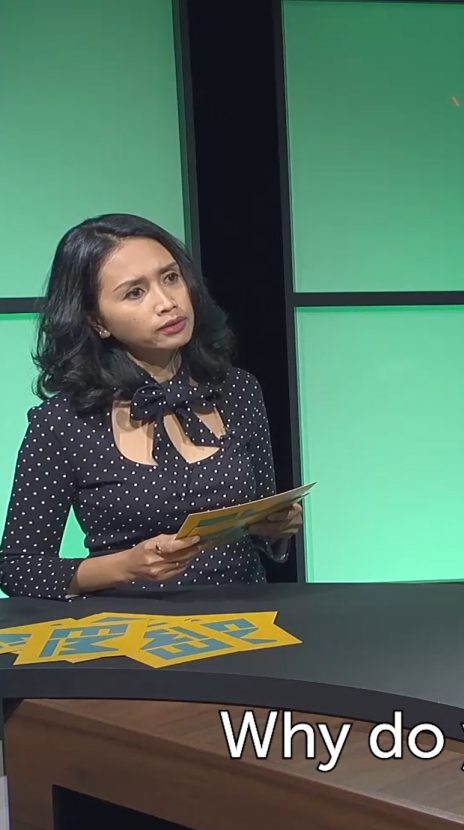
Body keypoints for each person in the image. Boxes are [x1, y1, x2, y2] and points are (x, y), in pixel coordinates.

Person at [0, 214, 303, 601]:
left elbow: (261, 522)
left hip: (246, 616)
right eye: (135, 293)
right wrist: (125, 566)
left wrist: (275, 527)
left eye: (171, 278)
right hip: (129, 625)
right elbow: (19, 568)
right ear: (96, 320)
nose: (167, 303)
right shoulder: (62, 423)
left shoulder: (239, 390)